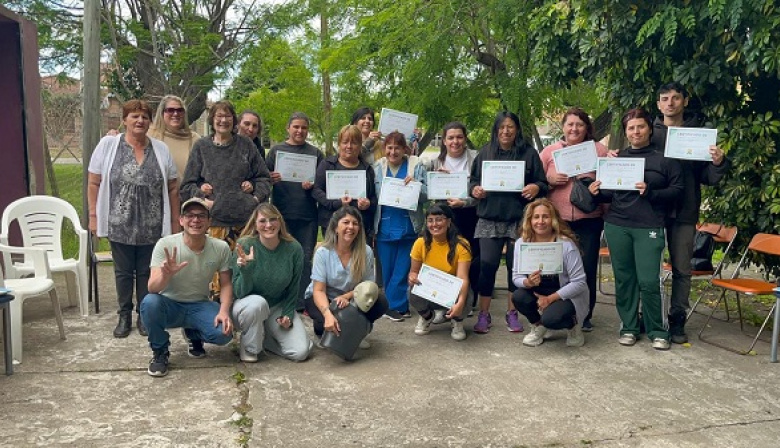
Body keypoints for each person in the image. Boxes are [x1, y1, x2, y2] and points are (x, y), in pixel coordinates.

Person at [589, 108, 683, 350]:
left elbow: (677, 191)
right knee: (624, 280)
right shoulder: (617, 157)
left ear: (650, 128)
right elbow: (611, 193)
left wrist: (650, 191)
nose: (636, 131)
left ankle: (658, 330)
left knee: (649, 281)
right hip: (617, 225)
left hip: (649, 226)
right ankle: (629, 327)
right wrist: (597, 190)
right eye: (631, 128)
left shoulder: (665, 159)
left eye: (640, 126)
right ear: (626, 132)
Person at [88, 99, 180, 339]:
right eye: (134, 116)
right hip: (119, 222)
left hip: (152, 223)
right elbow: (94, 182)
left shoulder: (160, 149)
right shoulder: (108, 145)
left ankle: (144, 314)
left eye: (145, 117)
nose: (140, 121)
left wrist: (174, 221)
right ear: (124, 120)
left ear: (150, 121)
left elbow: (172, 187)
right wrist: (93, 216)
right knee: (123, 272)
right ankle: (124, 315)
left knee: (147, 271)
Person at [650, 82, 730, 344]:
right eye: (665, 98)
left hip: (684, 212)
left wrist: (718, 163)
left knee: (682, 269)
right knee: (649, 268)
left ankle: (677, 319)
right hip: (651, 211)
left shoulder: (699, 136)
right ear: (659, 104)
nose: (670, 103)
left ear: (685, 101)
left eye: (675, 98)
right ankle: (650, 317)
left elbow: (708, 177)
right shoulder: (649, 132)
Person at [180, 100, 271, 297]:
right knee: (215, 279)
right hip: (214, 225)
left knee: (245, 272)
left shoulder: (246, 145)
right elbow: (187, 186)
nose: (223, 120)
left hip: (244, 225)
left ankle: (243, 317)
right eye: (219, 116)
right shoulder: (201, 147)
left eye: (228, 116)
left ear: (234, 120)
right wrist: (201, 196)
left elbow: (264, 178)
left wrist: (255, 196)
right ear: (212, 120)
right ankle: (216, 319)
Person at [469, 111, 548, 334]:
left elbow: (542, 183)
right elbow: (473, 181)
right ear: (496, 130)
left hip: (518, 220)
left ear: (517, 129)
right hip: (489, 219)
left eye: (510, 127)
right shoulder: (485, 152)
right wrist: (474, 190)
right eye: (502, 127)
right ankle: (484, 313)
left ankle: (512, 312)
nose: (506, 131)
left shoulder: (529, 153)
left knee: (516, 268)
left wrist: (536, 188)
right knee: (487, 266)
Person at [140, 198, 233, 377]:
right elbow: (152, 287)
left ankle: (194, 333)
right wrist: (166, 274)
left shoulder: (220, 247)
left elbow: (226, 283)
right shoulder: (165, 245)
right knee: (150, 303)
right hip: (169, 305)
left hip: (199, 303)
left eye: (201, 216)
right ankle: (160, 352)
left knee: (224, 334)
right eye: (189, 215)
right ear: (181, 220)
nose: (195, 220)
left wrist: (223, 311)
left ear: (209, 221)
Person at [540, 108, 609, 332]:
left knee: (586, 269)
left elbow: (610, 179)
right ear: (563, 127)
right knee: (557, 269)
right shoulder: (550, 151)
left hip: (589, 218)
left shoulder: (599, 150)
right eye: (570, 124)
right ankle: (556, 310)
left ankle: (585, 314)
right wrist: (550, 180)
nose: (574, 129)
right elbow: (537, 181)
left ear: (587, 128)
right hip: (558, 220)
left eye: (579, 124)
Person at [231, 203, 312, 363]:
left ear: (280, 221)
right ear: (255, 224)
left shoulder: (293, 248)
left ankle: (264, 340)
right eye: (262, 221)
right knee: (257, 303)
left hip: (277, 306)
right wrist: (246, 270)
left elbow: (294, 287)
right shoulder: (245, 245)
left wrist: (288, 314)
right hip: (247, 307)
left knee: (301, 352)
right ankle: (250, 347)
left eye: (273, 219)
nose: (268, 225)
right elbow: (239, 293)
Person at [304, 207, 389, 347]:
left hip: (352, 297)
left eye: (355, 223)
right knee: (323, 320)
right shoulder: (323, 252)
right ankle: (327, 328)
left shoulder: (366, 251)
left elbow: (368, 286)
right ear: (336, 228)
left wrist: (347, 297)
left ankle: (356, 332)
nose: (351, 227)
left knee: (380, 302)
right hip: (324, 297)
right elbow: (318, 290)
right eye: (346, 222)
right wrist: (327, 315)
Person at [266, 112, 325, 309]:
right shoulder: (276, 152)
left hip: (307, 215)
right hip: (280, 214)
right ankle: (281, 299)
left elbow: (323, 182)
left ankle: (303, 302)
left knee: (304, 258)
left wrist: (314, 183)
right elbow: (263, 179)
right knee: (280, 258)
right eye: (296, 127)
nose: (300, 131)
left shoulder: (315, 153)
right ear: (288, 128)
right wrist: (270, 178)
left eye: (304, 128)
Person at [511, 199, 588, 347]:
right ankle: (538, 326)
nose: (540, 221)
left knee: (552, 319)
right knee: (519, 296)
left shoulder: (566, 244)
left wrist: (550, 299)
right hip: (537, 291)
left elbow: (579, 282)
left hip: (564, 295)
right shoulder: (522, 243)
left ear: (553, 219)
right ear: (530, 220)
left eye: (545, 216)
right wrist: (527, 282)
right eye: (536, 217)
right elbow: (516, 277)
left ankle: (573, 327)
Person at [426, 122, 480, 321]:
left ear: (465, 138)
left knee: (470, 259)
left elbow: (482, 191)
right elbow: (422, 184)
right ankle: (442, 303)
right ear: (444, 140)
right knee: (443, 258)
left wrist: (465, 201)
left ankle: (467, 302)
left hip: (469, 215)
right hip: (444, 216)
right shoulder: (434, 162)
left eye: (459, 137)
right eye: (450, 138)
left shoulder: (476, 158)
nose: (455, 141)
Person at [373, 131, 428, 321]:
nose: (393, 152)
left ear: (404, 149)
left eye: (397, 147)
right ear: (384, 149)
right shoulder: (377, 168)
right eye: (389, 147)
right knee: (387, 270)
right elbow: (372, 195)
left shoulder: (416, 166)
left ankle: (398, 307)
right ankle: (389, 306)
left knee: (402, 269)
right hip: (384, 226)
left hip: (409, 225)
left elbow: (428, 196)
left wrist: (416, 186)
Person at [408, 204, 472, 340]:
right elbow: (413, 272)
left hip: (451, 291)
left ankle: (457, 321)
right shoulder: (420, 243)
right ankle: (427, 317)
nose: (434, 224)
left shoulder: (461, 244)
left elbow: (463, 278)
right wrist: (412, 277)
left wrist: (460, 303)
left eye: (439, 219)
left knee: (467, 296)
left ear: (448, 222)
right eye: (430, 220)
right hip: (429, 290)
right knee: (412, 289)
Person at [312, 124, 377, 238]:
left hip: (359, 227)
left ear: (360, 145)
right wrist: (335, 203)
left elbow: (373, 197)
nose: (349, 146)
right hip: (331, 224)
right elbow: (316, 190)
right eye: (345, 142)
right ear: (339, 144)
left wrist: (368, 204)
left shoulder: (367, 169)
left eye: (354, 143)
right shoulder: (327, 165)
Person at [148, 95, 201, 179]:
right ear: (162, 113)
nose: (175, 114)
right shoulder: (150, 135)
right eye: (170, 110)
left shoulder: (195, 139)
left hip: (188, 191)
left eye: (180, 110)